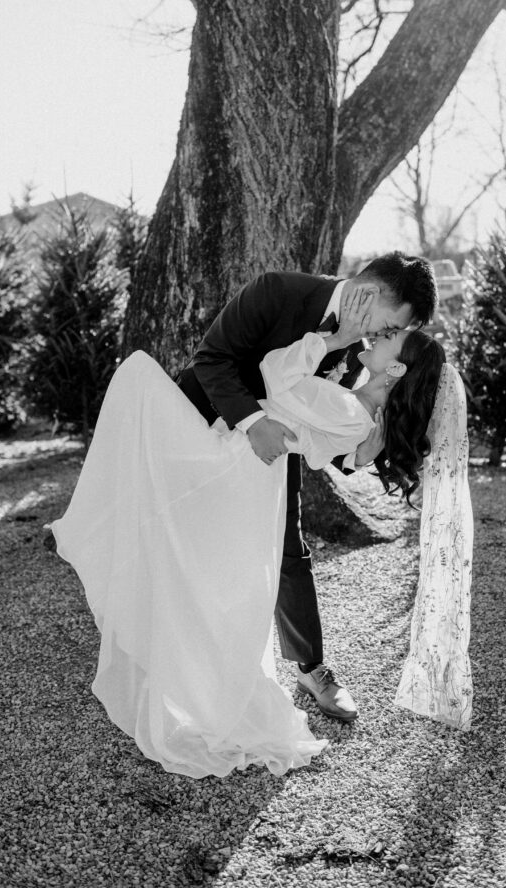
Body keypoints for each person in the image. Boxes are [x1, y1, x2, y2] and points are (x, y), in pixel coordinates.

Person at [50, 289, 473, 781]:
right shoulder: (358, 411)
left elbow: (275, 373)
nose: (379, 335)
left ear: (396, 370)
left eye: (391, 337)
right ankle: (193, 668)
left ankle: (113, 565)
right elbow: (321, 442)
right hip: (255, 468)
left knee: (137, 376)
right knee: (209, 565)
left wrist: (332, 339)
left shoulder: (350, 410)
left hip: (241, 458)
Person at [176, 251, 438, 723]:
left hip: (278, 450)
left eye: (391, 336)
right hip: (204, 425)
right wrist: (253, 422)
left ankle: (310, 668)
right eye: (388, 326)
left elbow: (329, 418)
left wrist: (356, 455)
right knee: (176, 527)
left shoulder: (359, 348)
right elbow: (211, 359)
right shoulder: (278, 290)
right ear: (369, 293)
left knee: (288, 548)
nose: (381, 337)